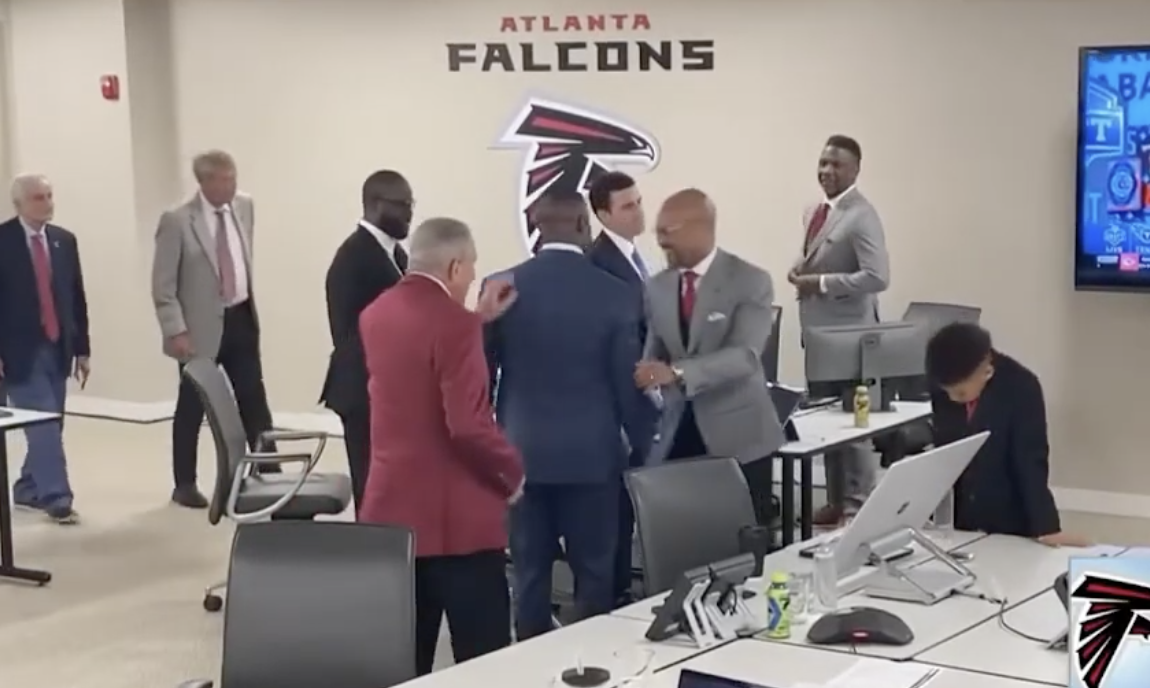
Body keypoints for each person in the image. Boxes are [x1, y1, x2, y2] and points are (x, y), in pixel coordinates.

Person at [486, 189, 654, 639]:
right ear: (585, 225)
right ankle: (592, 669)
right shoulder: (615, 294)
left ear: (538, 227)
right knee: (595, 580)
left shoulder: (500, 287)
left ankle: (529, 672)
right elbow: (627, 387)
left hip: (521, 459)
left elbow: (481, 379)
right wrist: (651, 446)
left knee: (530, 579)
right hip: (592, 460)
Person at [359, 217, 524, 675]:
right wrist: (512, 473)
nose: (473, 276)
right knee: (482, 661)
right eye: (470, 267)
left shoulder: (376, 314)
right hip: (459, 524)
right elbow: (469, 427)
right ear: (454, 266)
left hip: (392, 512)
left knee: (402, 660)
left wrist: (478, 319)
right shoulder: (455, 325)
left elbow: (421, 355)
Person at [639, 189, 783, 527]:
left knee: (744, 540)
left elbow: (745, 356)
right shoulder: (656, 287)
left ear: (700, 229)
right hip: (679, 433)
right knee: (685, 535)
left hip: (740, 437)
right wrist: (646, 375)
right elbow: (655, 348)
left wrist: (675, 372)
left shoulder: (750, 280)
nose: (659, 241)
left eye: (667, 231)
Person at [151, 150, 278, 509]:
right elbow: (163, 285)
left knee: (254, 399)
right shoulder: (177, 221)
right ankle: (185, 483)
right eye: (222, 180)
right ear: (203, 182)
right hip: (198, 329)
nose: (230, 186)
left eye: (233, 178)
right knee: (193, 405)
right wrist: (176, 330)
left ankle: (271, 469)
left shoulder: (244, 207)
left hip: (240, 318)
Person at [788, 135, 890, 526]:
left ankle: (859, 507)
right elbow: (818, 255)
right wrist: (800, 271)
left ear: (855, 171)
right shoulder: (816, 210)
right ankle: (835, 503)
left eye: (837, 165)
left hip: (851, 340)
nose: (827, 171)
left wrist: (822, 283)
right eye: (823, 163)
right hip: (819, 338)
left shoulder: (862, 214)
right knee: (829, 427)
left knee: (854, 426)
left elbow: (878, 277)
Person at [925, 323, 1089, 546]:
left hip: (1010, 523)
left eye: (961, 393)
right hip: (959, 526)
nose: (952, 399)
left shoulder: (1021, 387)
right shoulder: (945, 382)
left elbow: (1030, 461)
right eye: (947, 392)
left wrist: (1046, 527)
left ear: (985, 371)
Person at [320, 170, 412, 513]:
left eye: (410, 204)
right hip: (362, 389)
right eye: (400, 205)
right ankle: (374, 558)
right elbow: (348, 336)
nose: (408, 213)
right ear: (375, 204)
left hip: (384, 388)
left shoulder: (395, 254)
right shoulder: (354, 258)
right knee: (372, 486)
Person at [0, 174, 89, 524]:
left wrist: (82, 349)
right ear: (19, 204)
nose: (48, 203)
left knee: (52, 420)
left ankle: (27, 488)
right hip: (18, 351)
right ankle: (57, 496)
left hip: (57, 346)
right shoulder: (2, 241)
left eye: (50, 195)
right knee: (44, 426)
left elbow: (76, 298)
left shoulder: (63, 241)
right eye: (39, 197)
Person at [587, 170, 654, 606]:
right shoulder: (600, 263)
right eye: (627, 206)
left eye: (639, 201)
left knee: (627, 513)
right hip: (619, 411)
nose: (638, 211)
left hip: (647, 400)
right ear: (602, 214)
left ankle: (623, 592)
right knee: (612, 517)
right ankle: (611, 600)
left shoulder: (633, 256)